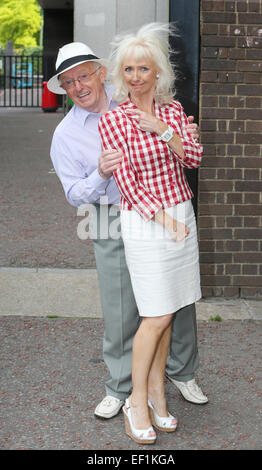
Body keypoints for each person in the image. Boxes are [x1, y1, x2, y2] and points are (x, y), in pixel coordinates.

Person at [47, 40, 207, 424]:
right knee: (121, 305)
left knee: (176, 302)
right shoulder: (65, 135)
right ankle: (120, 387)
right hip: (110, 214)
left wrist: (181, 134)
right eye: (69, 83)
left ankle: (181, 372)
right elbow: (74, 194)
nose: (79, 86)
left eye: (83, 75)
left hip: (161, 208)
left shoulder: (133, 96)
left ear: (101, 73)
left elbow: (180, 147)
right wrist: (100, 173)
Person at [98, 23, 204, 444]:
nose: (136, 76)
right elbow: (128, 184)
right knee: (155, 314)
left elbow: (193, 158)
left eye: (144, 68)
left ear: (158, 71)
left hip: (181, 213)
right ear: (121, 74)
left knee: (171, 308)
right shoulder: (114, 120)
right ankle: (136, 400)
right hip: (148, 222)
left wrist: (164, 130)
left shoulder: (174, 111)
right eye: (129, 69)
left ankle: (159, 392)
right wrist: (167, 222)